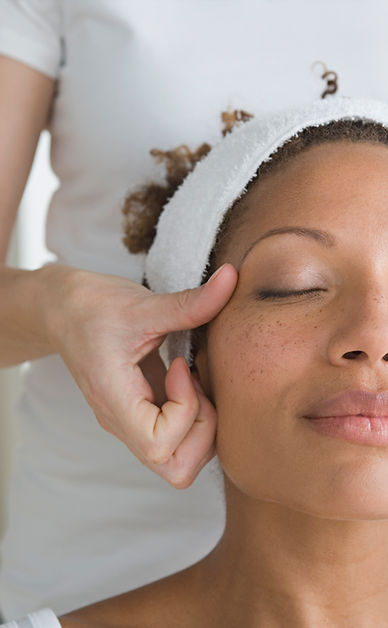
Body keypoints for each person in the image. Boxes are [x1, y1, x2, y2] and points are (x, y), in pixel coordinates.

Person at [1, 0, 388, 621]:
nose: (372, 336)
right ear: (189, 356)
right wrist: (59, 305)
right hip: (87, 562)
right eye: (296, 285)